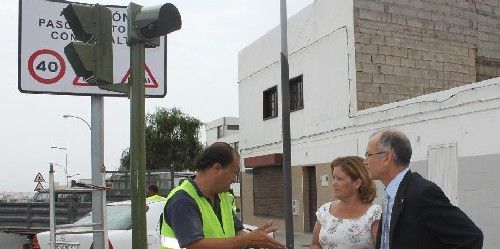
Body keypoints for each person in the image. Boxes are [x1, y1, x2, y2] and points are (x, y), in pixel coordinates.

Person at [365, 129, 483, 249]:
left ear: (387, 157)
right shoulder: (390, 195)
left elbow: (471, 237)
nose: (365, 161)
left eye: (368, 155)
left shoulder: (422, 193)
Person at [160, 142, 286, 249]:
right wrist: (248, 240)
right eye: (234, 173)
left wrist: (259, 241)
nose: (234, 179)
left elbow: (237, 232)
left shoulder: (223, 197)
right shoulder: (183, 200)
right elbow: (195, 245)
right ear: (217, 168)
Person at [310, 156, 381, 249]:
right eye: (334, 178)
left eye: (339, 179)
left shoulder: (374, 214)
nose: (334, 183)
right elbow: (315, 244)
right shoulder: (325, 211)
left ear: (357, 183)